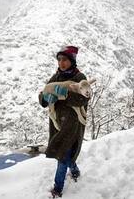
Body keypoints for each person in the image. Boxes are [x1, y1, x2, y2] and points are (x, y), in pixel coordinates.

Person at [38, 45, 90, 198]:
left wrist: (66, 95)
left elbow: (84, 97)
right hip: (57, 123)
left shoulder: (79, 77)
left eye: (65, 60)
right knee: (66, 152)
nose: (61, 63)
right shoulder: (56, 77)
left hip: (72, 123)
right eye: (59, 60)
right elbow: (43, 94)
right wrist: (45, 98)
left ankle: (57, 189)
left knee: (62, 154)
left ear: (72, 61)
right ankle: (74, 171)